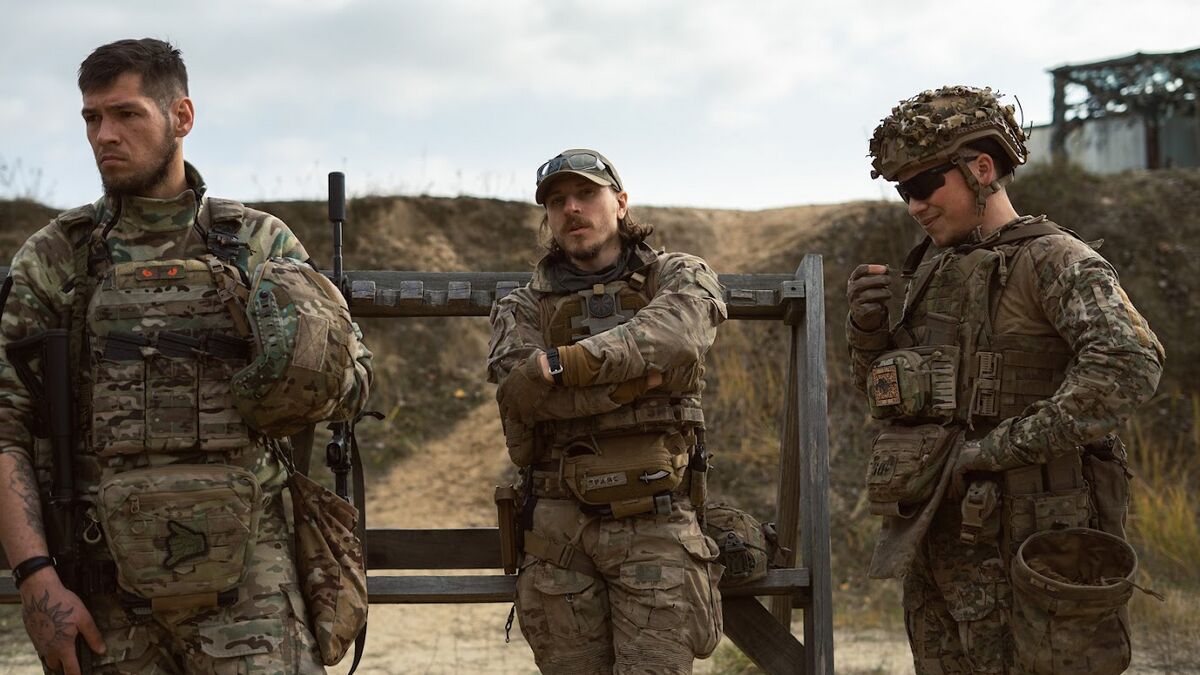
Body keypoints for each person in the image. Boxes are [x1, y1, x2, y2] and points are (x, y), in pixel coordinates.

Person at [0, 38, 372, 675]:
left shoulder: (258, 243)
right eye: (92, 117)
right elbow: (5, 425)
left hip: (252, 584)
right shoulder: (56, 256)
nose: (103, 135)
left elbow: (358, 384)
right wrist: (36, 578)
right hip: (103, 582)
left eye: (126, 114)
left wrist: (300, 370)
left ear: (182, 117)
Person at [847, 85, 1164, 674]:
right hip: (940, 538)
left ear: (982, 169)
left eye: (925, 184)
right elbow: (890, 398)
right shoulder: (932, 271)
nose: (914, 205)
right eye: (903, 191)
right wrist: (868, 331)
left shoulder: (1054, 258)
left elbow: (1128, 363)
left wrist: (997, 449)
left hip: (1028, 541)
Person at [487, 148, 726, 674]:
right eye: (556, 201)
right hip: (557, 532)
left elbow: (678, 336)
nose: (571, 208)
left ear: (620, 202)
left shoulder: (677, 273)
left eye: (586, 194)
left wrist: (564, 363)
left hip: (656, 522)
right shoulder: (520, 306)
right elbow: (522, 393)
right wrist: (638, 382)